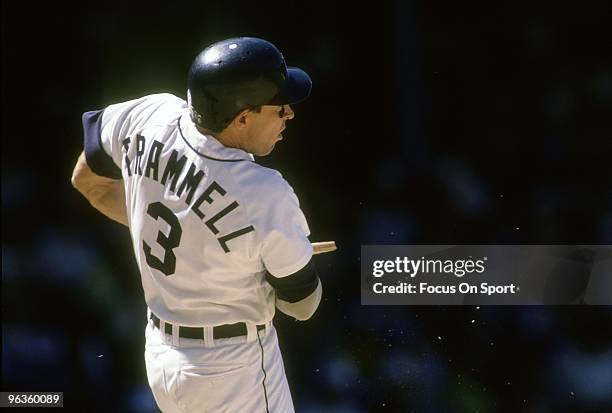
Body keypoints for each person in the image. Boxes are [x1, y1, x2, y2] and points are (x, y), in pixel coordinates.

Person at [71, 37, 322, 413]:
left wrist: (167, 230)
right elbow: (302, 306)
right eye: (279, 107)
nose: (290, 114)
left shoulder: (150, 113)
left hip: (162, 355)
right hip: (233, 369)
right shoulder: (264, 192)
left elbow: (85, 179)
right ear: (242, 118)